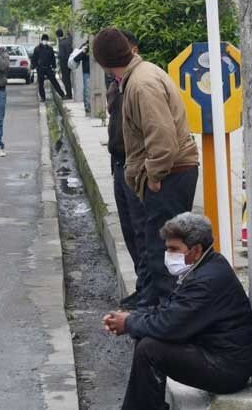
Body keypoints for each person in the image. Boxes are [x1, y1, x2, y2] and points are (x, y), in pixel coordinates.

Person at [103, 213, 252, 410]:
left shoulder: (207, 280)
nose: (168, 254)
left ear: (196, 250)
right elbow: (170, 311)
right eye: (167, 248)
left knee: (149, 349)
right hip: (212, 351)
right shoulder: (204, 266)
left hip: (226, 369)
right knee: (146, 337)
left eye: (174, 249)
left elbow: (169, 325)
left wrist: (129, 322)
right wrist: (134, 318)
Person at [93, 27, 199, 307]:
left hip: (170, 174)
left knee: (162, 250)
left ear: (104, 61)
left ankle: (166, 316)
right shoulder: (136, 77)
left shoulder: (141, 84)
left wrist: (154, 175)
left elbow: (162, 138)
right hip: (167, 172)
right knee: (153, 246)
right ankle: (153, 304)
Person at [106, 30, 144, 310]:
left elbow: (158, 134)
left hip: (137, 167)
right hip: (120, 163)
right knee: (129, 230)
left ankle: (149, 291)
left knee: (143, 232)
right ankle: (143, 286)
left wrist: (151, 175)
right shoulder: (116, 84)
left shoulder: (141, 82)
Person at [32, 34, 65, 103]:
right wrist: (35, 66)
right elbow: (34, 59)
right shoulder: (37, 49)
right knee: (41, 83)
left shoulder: (50, 48)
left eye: (46, 40)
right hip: (40, 68)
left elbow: (53, 58)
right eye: (44, 40)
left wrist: (54, 67)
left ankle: (62, 94)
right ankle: (43, 97)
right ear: (42, 40)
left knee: (54, 82)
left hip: (48, 68)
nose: (45, 41)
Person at [69, 40, 91, 115]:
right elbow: (76, 59)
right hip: (87, 72)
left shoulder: (99, 45)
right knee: (87, 90)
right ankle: (87, 107)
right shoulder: (84, 46)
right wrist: (83, 52)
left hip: (97, 72)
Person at [56, 29, 73, 99]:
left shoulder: (61, 43)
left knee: (65, 79)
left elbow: (61, 55)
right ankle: (69, 94)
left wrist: (58, 56)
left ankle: (69, 95)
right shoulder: (68, 40)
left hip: (64, 63)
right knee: (67, 78)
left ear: (57, 35)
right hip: (69, 62)